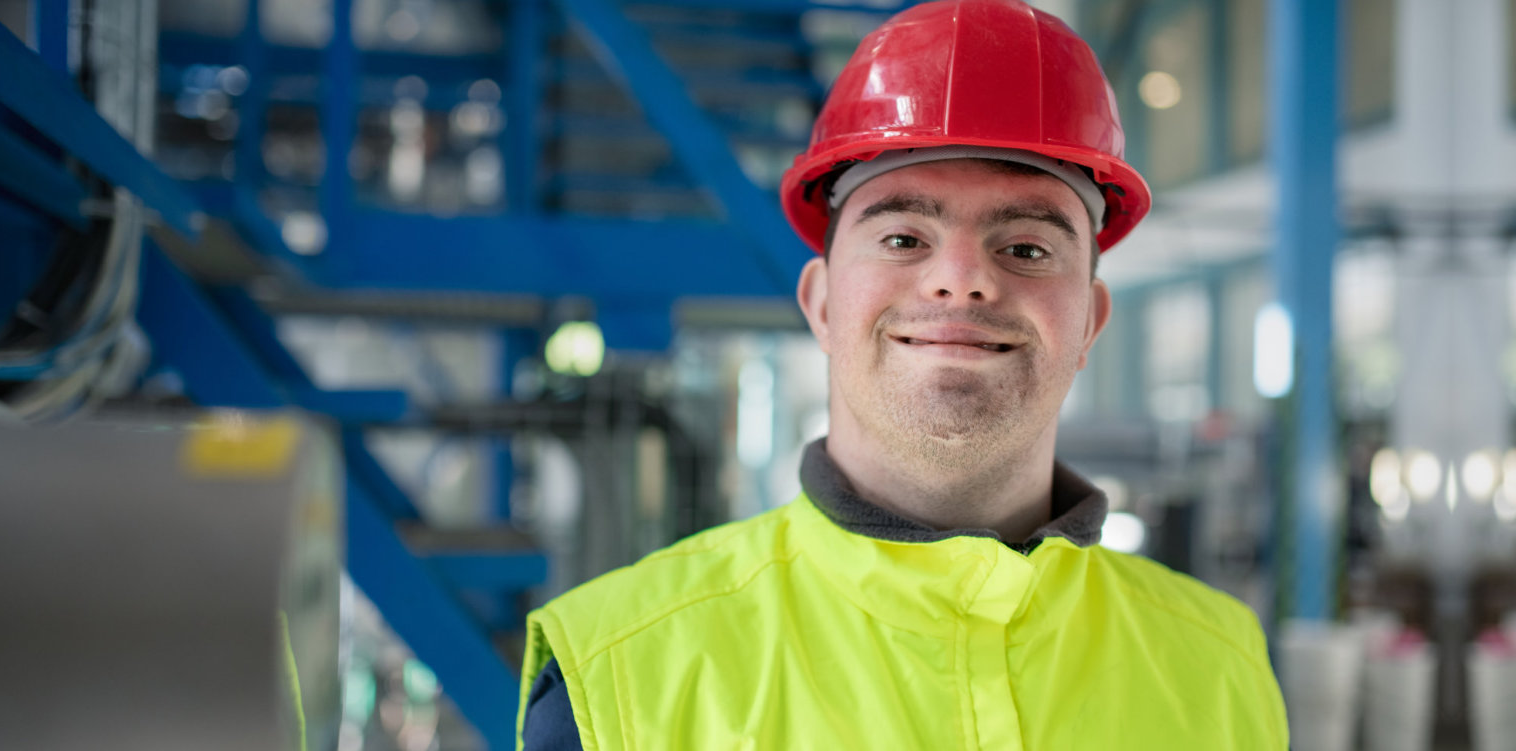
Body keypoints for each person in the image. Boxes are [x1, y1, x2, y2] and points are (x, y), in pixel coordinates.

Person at [515, 1, 1288, 748]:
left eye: (1025, 247)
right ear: (820, 303)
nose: (960, 280)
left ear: (1089, 321)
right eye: (902, 238)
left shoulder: (1221, 668)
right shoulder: (618, 684)